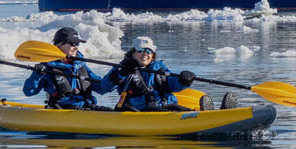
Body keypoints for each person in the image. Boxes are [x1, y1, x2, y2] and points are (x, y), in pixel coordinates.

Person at [102, 36, 238, 111]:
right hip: (139, 109)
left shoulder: (158, 68)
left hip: (163, 105)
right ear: (133, 53)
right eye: (141, 51)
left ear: (153, 54)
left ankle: (219, 115)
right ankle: (207, 119)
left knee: (184, 110)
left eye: (148, 51)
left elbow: (171, 84)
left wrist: (183, 81)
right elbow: (105, 86)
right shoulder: (123, 68)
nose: (145, 54)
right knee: (179, 113)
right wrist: (120, 73)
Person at [23, 27, 108, 110]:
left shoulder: (80, 65)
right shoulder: (47, 68)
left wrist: (116, 75)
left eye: (77, 44)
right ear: (61, 45)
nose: (76, 47)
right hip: (61, 111)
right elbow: (29, 92)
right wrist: (36, 74)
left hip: (86, 108)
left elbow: (102, 88)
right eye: (73, 44)